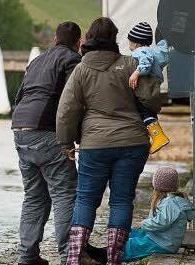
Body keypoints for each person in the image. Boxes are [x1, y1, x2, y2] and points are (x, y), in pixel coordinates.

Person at [56, 17, 162, 265]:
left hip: (95, 144)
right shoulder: (131, 64)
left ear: (89, 38)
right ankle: (115, 258)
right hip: (133, 142)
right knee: (122, 200)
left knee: (85, 199)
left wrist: (66, 142)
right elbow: (153, 100)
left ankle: (73, 257)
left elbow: (66, 110)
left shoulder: (81, 69)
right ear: (114, 39)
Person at [12, 21, 82, 265]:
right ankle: (68, 256)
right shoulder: (72, 60)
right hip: (45, 131)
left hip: (20, 129)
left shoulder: (36, 61)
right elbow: (72, 100)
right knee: (65, 193)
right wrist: (72, 136)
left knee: (34, 196)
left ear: (54, 39)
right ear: (79, 43)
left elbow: (20, 96)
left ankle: (27, 256)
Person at [87, 167, 195, 263]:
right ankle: (108, 249)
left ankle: (106, 255)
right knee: (133, 233)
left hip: (163, 243)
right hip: (161, 238)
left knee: (133, 245)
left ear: (157, 185)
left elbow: (162, 222)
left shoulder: (170, 203)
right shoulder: (174, 201)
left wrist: (143, 223)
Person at [127, 22, 170, 154]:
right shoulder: (154, 52)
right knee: (149, 112)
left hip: (144, 88)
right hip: (153, 89)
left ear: (136, 43)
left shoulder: (141, 52)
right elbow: (162, 50)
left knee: (142, 110)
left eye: (130, 41)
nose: (129, 44)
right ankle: (155, 136)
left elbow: (146, 61)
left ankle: (158, 136)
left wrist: (136, 72)